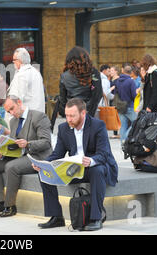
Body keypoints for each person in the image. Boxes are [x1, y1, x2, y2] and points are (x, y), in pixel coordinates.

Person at [33, 98, 118, 231]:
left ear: (83, 113)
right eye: (66, 115)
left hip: (94, 166)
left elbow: (104, 153)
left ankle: (96, 217)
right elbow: (58, 154)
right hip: (75, 169)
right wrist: (44, 163)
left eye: (72, 116)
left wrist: (91, 161)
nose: (69, 119)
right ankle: (56, 217)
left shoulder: (98, 125)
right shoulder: (63, 128)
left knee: (98, 170)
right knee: (44, 172)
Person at [0, 96, 52, 217]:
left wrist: (28, 144)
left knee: (11, 167)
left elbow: (46, 142)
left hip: (36, 157)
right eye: (8, 111)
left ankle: (10, 206)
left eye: (12, 109)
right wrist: (1, 152)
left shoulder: (38, 116)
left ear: (19, 102)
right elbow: (13, 145)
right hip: (19, 156)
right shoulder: (13, 121)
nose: (11, 113)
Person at [58, 46, 103, 118]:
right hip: (88, 113)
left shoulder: (64, 76)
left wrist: (66, 113)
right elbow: (98, 94)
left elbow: (62, 99)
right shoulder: (93, 72)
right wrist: (89, 111)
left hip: (72, 113)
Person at [8, 48, 45, 113]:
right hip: (39, 116)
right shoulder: (36, 73)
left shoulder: (21, 74)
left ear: (20, 61)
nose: (13, 62)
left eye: (14, 60)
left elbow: (15, 99)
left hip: (27, 118)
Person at [114, 64, 137, 144]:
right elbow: (134, 95)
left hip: (120, 106)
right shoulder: (131, 81)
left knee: (123, 125)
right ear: (131, 72)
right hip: (129, 106)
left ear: (123, 71)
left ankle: (122, 142)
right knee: (136, 123)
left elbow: (115, 93)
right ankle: (125, 139)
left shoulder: (117, 81)